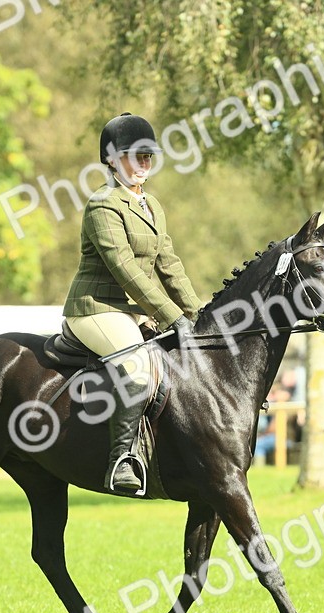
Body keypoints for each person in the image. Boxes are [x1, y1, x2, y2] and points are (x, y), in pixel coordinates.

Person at [62, 112, 201, 493]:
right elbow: (127, 270)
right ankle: (122, 461)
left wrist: (197, 312)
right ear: (111, 160)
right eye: (134, 156)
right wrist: (173, 316)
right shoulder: (102, 205)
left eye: (148, 156)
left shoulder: (152, 205)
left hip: (132, 311)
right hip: (95, 308)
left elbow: (169, 264)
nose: (143, 164)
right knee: (139, 368)